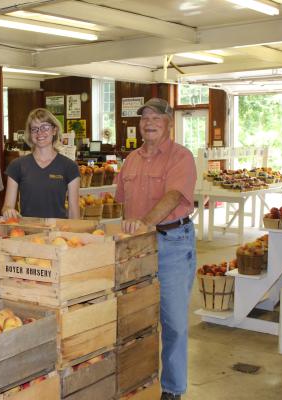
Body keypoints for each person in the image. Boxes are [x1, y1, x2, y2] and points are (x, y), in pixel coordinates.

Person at [114, 98, 197, 400]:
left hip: (172, 243)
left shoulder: (181, 157)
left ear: (169, 123)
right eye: (144, 118)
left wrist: (146, 222)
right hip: (137, 247)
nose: (148, 123)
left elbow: (174, 195)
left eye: (156, 118)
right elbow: (122, 204)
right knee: (136, 318)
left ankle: (172, 390)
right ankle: (140, 382)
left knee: (173, 321)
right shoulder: (131, 160)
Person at [2, 108, 80, 219]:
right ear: (30, 134)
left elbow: (73, 211)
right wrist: (8, 211)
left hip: (58, 233)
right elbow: (7, 206)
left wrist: (76, 235)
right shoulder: (17, 165)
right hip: (28, 233)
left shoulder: (69, 167)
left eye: (44, 127)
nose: (39, 133)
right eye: (34, 129)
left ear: (54, 130)